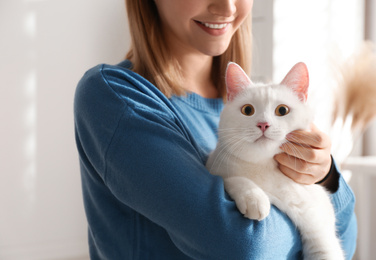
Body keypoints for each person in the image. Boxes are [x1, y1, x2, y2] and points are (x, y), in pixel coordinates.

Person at [74, 0, 357, 259]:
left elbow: (346, 234)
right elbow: (242, 245)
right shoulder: (117, 97)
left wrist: (326, 175)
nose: (227, 7)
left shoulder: (250, 106)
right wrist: (310, 214)